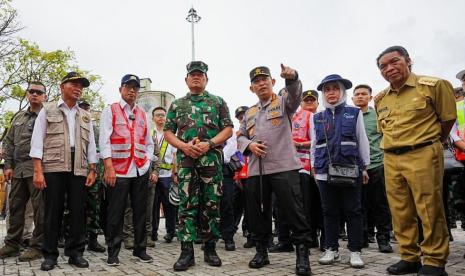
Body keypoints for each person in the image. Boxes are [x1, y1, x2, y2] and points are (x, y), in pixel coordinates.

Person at [375, 46, 456, 276]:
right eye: (383, 66)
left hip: (422, 153)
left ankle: (434, 260)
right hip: (391, 157)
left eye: (394, 62)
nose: (389, 68)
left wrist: (428, 143)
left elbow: (447, 120)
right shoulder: (381, 99)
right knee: (400, 210)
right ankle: (409, 256)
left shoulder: (433, 86)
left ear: (408, 61)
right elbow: (384, 130)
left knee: (429, 208)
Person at [237, 64, 312, 276]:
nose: (261, 83)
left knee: (294, 212)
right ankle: (261, 251)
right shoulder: (249, 113)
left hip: (284, 167)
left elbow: (296, 94)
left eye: (265, 79)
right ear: (251, 88)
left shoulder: (283, 103)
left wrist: (293, 78)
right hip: (255, 171)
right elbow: (240, 136)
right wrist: (249, 145)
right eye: (256, 81)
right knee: (257, 213)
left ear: (273, 82)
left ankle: (302, 255)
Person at [164, 61, 233, 271]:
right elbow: (168, 132)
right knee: (186, 205)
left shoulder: (218, 101)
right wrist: (184, 146)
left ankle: (210, 248)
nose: (196, 77)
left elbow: (228, 129)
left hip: (211, 161)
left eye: (200, 75)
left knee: (211, 204)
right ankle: (187, 252)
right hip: (186, 162)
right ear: (186, 79)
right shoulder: (177, 104)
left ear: (206, 79)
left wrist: (209, 144)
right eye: (192, 75)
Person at [30, 72, 98, 271]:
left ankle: (75, 253)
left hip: (79, 167)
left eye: (81, 86)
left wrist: (92, 169)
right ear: (62, 87)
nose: (78, 88)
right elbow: (37, 141)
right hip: (53, 166)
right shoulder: (47, 109)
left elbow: (91, 144)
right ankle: (50, 255)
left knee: (78, 212)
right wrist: (37, 171)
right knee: (52, 212)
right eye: (74, 84)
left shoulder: (85, 115)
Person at [310, 74, 369, 269]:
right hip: (324, 171)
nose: (331, 92)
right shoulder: (316, 117)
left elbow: (362, 140)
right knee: (329, 211)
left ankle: (355, 251)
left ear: (342, 91)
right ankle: (331, 249)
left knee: (353, 211)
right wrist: (314, 168)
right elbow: (313, 144)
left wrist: (365, 167)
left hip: (351, 169)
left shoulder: (354, 113)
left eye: (335, 88)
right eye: (327, 89)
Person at [99, 74, 155, 266]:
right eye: (128, 87)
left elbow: (149, 143)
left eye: (135, 88)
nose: (132, 91)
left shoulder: (143, 114)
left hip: (139, 169)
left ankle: (140, 249)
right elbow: (104, 141)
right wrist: (109, 167)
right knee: (116, 212)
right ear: (121, 89)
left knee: (141, 212)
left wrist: (146, 163)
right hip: (119, 170)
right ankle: (113, 252)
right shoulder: (111, 110)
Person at [0, 81, 47, 261]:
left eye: (38, 92)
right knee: (15, 207)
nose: (34, 94)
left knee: (39, 209)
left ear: (44, 96)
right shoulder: (18, 117)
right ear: (27, 94)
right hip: (18, 169)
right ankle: (12, 244)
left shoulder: (47, 115)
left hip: (37, 169)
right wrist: (8, 165)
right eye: (31, 91)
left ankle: (37, 246)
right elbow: (9, 142)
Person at [352, 84, 393, 253]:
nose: (360, 96)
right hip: (355, 167)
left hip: (376, 164)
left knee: (380, 203)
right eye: (357, 94)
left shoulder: (377, 115)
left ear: (370, 97)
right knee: (358, 204)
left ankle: (383, 238)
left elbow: (386, 136)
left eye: (364, 94)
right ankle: (361, 237)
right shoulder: (349, 116)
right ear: (352, 98)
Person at [77, 100, 106, 253]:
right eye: (82, 108)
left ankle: (93, 239)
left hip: (94, 173)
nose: (85, 111)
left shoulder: (95, 129)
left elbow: (101, 151)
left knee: (94, 207)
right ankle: (70, 238)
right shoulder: (72, 126)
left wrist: (98, 171)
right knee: (72, 207)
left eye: (87, 108)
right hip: (76, 172)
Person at [151, 106, 177, 243]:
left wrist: (175, 172)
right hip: (153, 175)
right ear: (153, 118)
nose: (161, 118)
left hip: (167, 175)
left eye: (163, 115)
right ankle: (153, 232)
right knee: (153, 206)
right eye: (158, 115)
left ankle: (171, 232)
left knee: (169, 205)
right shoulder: (149, 133)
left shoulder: (170, 134)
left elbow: (174, 155)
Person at [220, 135, 239, 251]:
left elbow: (232, 145)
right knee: (209, 204)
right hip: (209, 169)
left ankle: (228, 237)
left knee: (227, 203)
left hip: (225, 169)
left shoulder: (227, 127)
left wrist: (217, 157)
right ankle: (210, 237)